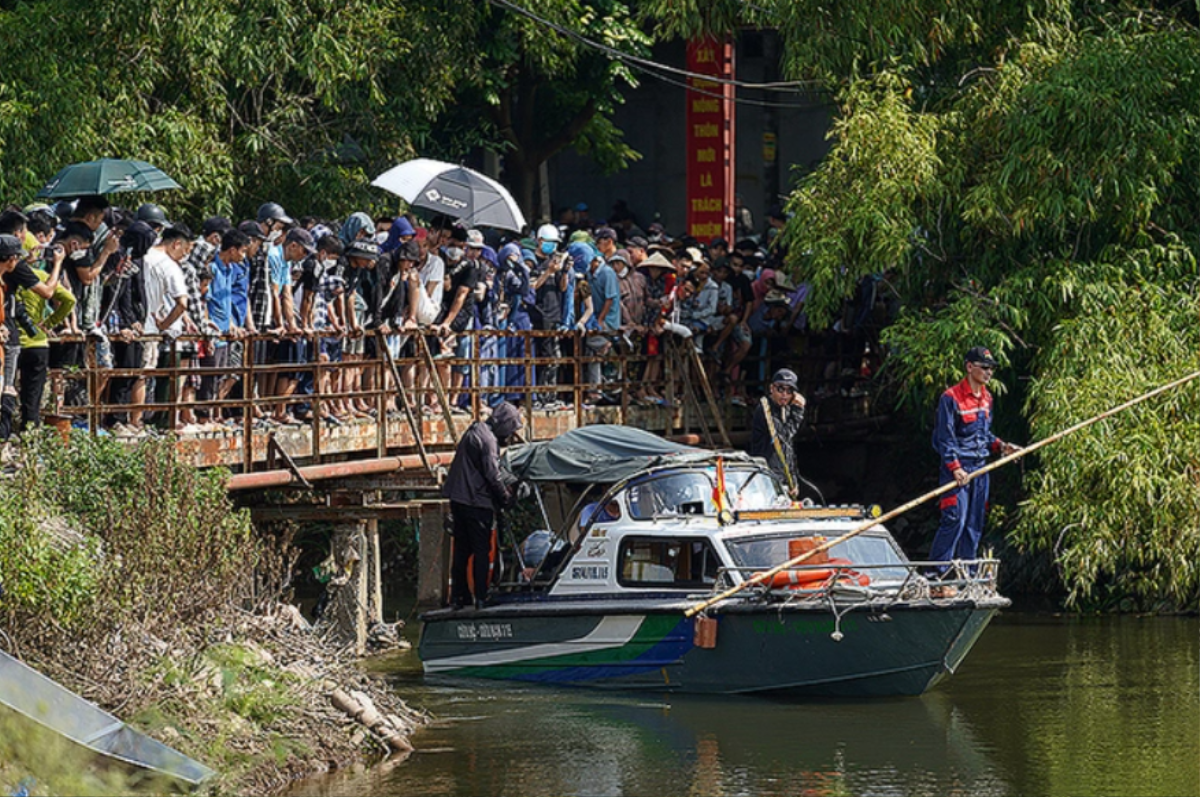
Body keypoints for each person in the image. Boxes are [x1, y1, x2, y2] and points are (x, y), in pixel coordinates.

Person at [929, 347, 1021, 591]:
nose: (989, 372)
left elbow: (983, 434)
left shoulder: (988, 398)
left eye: (991, 368)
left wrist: (1002, 446)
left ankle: (967, 576)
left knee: (974, 523)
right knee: (954, 520)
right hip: (957, 469)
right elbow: (944, 438)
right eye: (984, 367)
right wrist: (955, 467)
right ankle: (937, 575)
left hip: (980, 468)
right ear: (970, 367)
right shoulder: (951, 398)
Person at [441, 401, 524, 609]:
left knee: (462, 550)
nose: (510, 436)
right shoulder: (488, 440)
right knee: (481, 549)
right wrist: (505, 497)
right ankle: (480, 596)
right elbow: (492, 474)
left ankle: (459, 598)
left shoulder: (476, 431)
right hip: (475, 503)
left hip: (458, 498)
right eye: (511, 430)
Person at [749, 368, 806, 497]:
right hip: (766, 478)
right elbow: (783, 437)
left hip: (782, 478)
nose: (784, 394)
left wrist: (793, 479)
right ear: (772, 388)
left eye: (789, 390)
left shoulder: (784, 409)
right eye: (780, 389)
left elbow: (787, 450)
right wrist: (798, 411)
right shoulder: (765, 409)